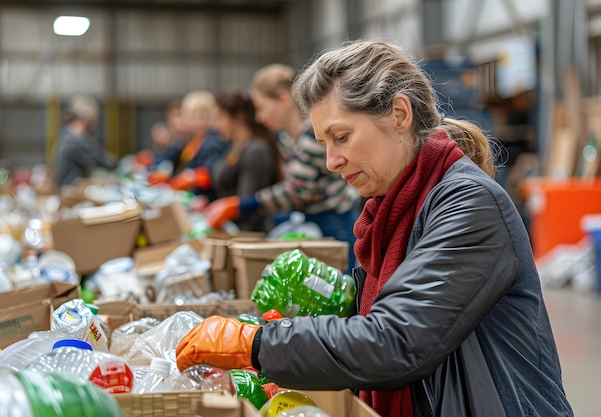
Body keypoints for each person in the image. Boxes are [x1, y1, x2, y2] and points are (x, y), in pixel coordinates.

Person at [175, 40, 573, 417]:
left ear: (399, 115)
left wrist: (257, 344)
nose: (331, 161)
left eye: (341, 137)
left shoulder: (469, 205)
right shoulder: (388, 212)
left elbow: (396, 342)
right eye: (323, 143)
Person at [204, 64, 361, 270]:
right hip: (311, 220)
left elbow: (297, 190)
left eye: (262, 108)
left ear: (283, 99)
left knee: (342, 288)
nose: (259, 117)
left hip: (335, 223)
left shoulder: (313, 135)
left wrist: (241, 205)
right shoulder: (287, 139)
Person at [171, 91, 282, 233]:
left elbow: (249, 209)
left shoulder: (255, 151)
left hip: (248, 235)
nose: (216, 125)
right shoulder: (234, 148)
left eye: (219, 118)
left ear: (238, 117)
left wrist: (225, 213)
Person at [55, 95, 115, 189]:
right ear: (87, 118)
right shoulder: (76, 141)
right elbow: (107, 161)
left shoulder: (65, 134)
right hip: (70, 192)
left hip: (65, 189)